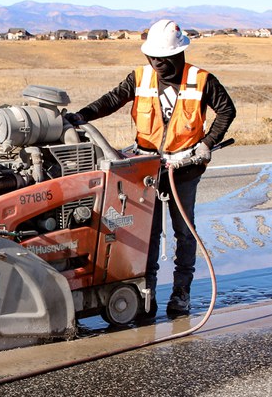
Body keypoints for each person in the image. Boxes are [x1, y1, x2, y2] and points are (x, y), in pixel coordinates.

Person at [65, 19, 236, 321]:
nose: (157, 64)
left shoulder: (201, 79)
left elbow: (226, 110)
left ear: (178, 54)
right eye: (153, 58)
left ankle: (181, 295)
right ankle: (148, 297)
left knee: (184, 233)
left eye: (163, 59)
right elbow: (111, 100)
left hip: (184, 169)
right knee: (147, 235)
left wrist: (207, 143)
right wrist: (80, 116)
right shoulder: (140, 77)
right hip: (146, 170)